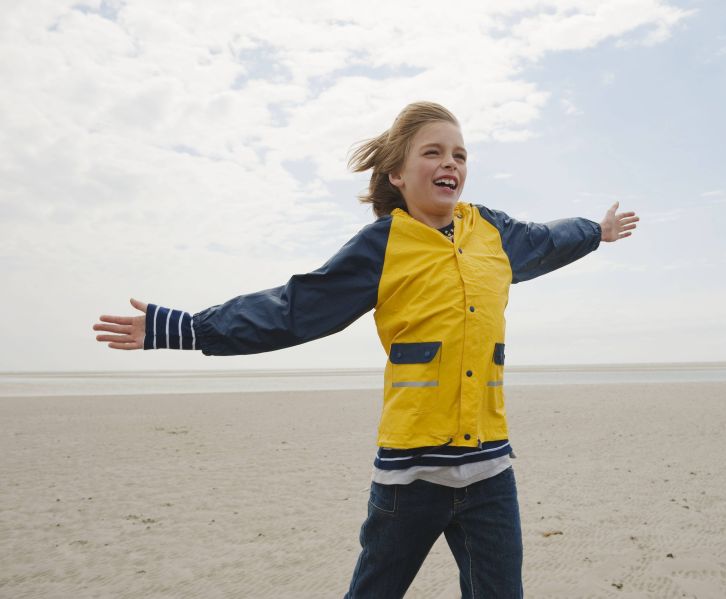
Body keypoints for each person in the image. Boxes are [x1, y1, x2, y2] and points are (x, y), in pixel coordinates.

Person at [93, 101, 639, 598]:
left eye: (459, 154)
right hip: (410, 476)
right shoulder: (382, 246)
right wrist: (182, 328)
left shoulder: (491, 233)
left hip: (490, 471)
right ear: (398, 174)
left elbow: (549, 238)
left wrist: (598, 230)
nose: (451, 162)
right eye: (433, 152)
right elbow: (293, 309)